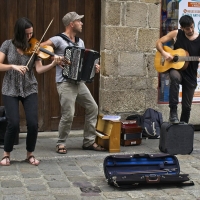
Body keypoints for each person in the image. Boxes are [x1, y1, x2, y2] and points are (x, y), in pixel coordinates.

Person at [40, 11, 105, 154]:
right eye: (79, 21)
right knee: (68, 114)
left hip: (79, 82)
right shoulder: (58, 40)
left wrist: (94, 67)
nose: (82, 23)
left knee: (93, 107)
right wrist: (54, 58)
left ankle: (88, 142)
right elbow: (41, 47)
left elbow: (84, 62)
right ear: (71, 23)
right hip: (65, 82)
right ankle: (61, 143)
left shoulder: (80, 42)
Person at [0, 17, 62, 166]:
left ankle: (30, 154)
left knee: (33, 123)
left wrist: (53, 63)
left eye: (31, 33)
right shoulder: (7, 45)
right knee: (13, 123)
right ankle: (6, 154)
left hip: (29, 88)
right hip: (10, 88)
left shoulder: (34, 47)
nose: (30, 37)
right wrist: (13, 66)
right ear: (19, 33)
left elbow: (39, 70)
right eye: (27, 34)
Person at [156, 15, 200, 124]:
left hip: (190, 74)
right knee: (174, 77)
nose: (190, 30)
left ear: (193, 24)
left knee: (186, 107)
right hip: (177, 70)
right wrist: (164, 53)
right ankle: (173, 112)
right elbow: (158, 43)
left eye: (191, 27)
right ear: (182, 28)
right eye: (187, 28)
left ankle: (182, 129)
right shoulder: (176, 34)